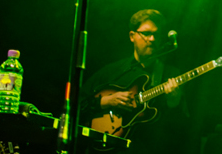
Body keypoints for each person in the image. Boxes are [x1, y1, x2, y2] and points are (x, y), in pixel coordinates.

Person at [79, 9, 187, 153]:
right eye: (147, 33)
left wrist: (174, 104)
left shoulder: (170, 74)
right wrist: (105, 101)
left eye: (156, 34)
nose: (152, 39)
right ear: (132, 36)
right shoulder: (113, 71)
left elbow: (180, 130)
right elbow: (77, 102)